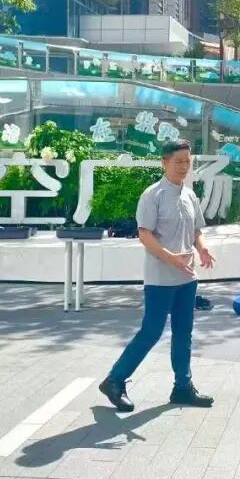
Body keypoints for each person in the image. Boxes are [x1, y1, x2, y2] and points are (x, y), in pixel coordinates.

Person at [99, 139, 216, 412]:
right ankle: (114, 380)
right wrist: (171, 258)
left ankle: (182, 387)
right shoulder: (152, 195)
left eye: (187, 161)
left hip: (187, 278)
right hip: (161, 279)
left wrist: (203, 248)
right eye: (178, 162)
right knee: (151, 331)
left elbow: (196, 231)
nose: (184, 167)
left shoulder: (190, 195)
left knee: (183, 333)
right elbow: (145, 235)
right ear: (164, 162)